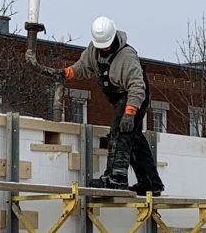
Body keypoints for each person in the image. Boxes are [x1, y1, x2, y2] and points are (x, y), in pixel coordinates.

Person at [60, 16, 164, 196]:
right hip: (120, 98)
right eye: (101, 46)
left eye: (106, 45)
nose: (104, 49)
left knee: (120, 131)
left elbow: (137, 87)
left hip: (132, 95)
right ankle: (150, 182)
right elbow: (83, 66)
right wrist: (66, 73)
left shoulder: (126, 56)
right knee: (134, 139)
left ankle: (116, 178)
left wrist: (130, 113)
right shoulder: (94, 50)